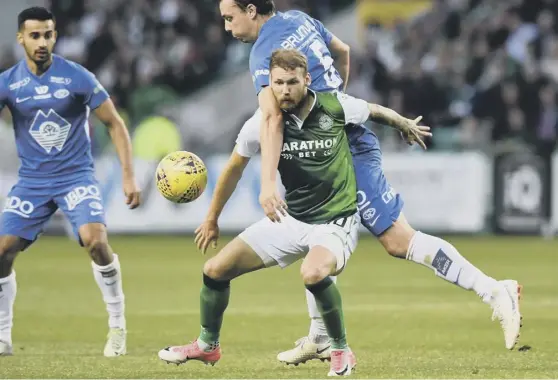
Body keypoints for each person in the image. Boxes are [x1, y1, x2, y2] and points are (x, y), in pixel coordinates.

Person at [217, 0, 523, 365]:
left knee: (397, 239)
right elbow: (342, 50)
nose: (227, 27)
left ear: (251, 10)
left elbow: (271, 121)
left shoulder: (264, 54)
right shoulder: (297, 18)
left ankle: (494, 290)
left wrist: (268, 182)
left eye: (229, 18)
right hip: (333, 138)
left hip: (347, 148)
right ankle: (319, 336)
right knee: (317, 224)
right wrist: (333, 105)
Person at [158, 49, 371, 377]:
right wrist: (212, 218)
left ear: (306, 80)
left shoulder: (335, 106)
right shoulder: (259, 123)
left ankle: (341, 349)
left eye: (291, 82)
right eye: (278, 83)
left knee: (313, 273)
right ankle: (207, 345)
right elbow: (233, 169)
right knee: (215, 270)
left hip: (334, 221)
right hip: (290, 219)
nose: (285, 89)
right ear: (268, 84)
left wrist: (401, 123)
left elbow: (374, 111)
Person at [0, 7, 140, 357]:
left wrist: (127, 176)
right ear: (21, 38)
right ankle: (2, 336)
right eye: (35, 35)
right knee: (2, 251)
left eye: (48, 34)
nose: (42, 42)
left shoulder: (77, 77)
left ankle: (118, 326)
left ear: (55, 36)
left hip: (75, 177)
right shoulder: (8, 83)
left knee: (95, 241)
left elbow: (116, 124)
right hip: (32, 181)